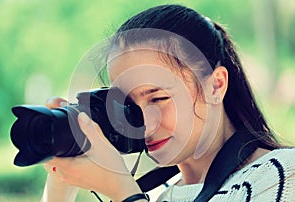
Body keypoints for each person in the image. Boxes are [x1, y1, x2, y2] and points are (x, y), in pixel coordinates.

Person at [41, 4, 295, 202]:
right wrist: (62, 170)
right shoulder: (153, 192)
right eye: (128, 107)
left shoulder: (281, 174)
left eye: (158, 98)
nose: (145, 123)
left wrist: (123, 191)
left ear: (215, 85)